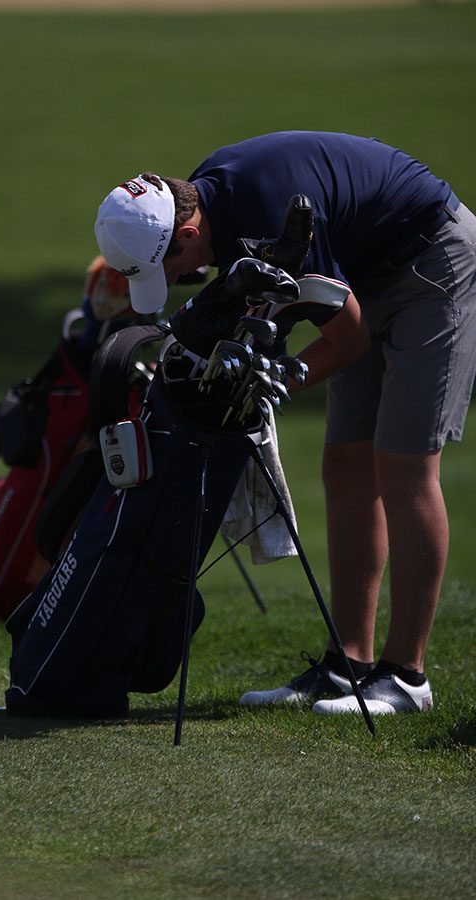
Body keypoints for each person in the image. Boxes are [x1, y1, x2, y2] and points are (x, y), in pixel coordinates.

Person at [94, 131, 476, 716]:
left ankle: (406, 678)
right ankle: (347, 663)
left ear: (187, 232)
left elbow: (344, 339)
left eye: (170, 268)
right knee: (346, 463)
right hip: (364, 274)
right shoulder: (202, 199)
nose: (178, 281)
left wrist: (283, 377)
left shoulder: (262, 209)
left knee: (404, 465)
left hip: (432, 262)